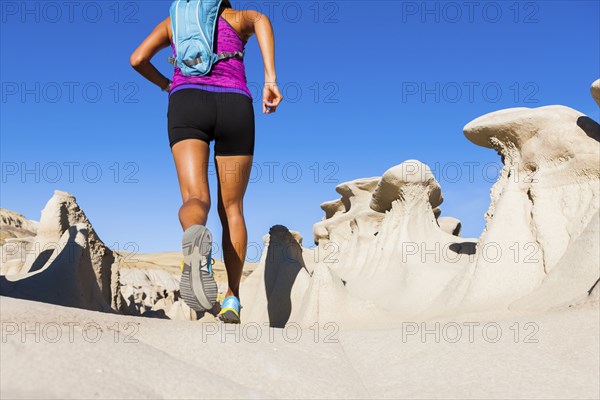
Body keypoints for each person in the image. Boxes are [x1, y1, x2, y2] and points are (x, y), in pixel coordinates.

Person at [130, 0, 283, 323]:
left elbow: (137, 59)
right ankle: (232, 299)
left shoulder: (173, 22)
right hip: (234, 104)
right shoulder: (238, 17)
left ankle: (195, 235)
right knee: (233, 209)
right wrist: (270, 78)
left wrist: (166, 84)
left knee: (195, 197)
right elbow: (263, 21)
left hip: (186, 102)